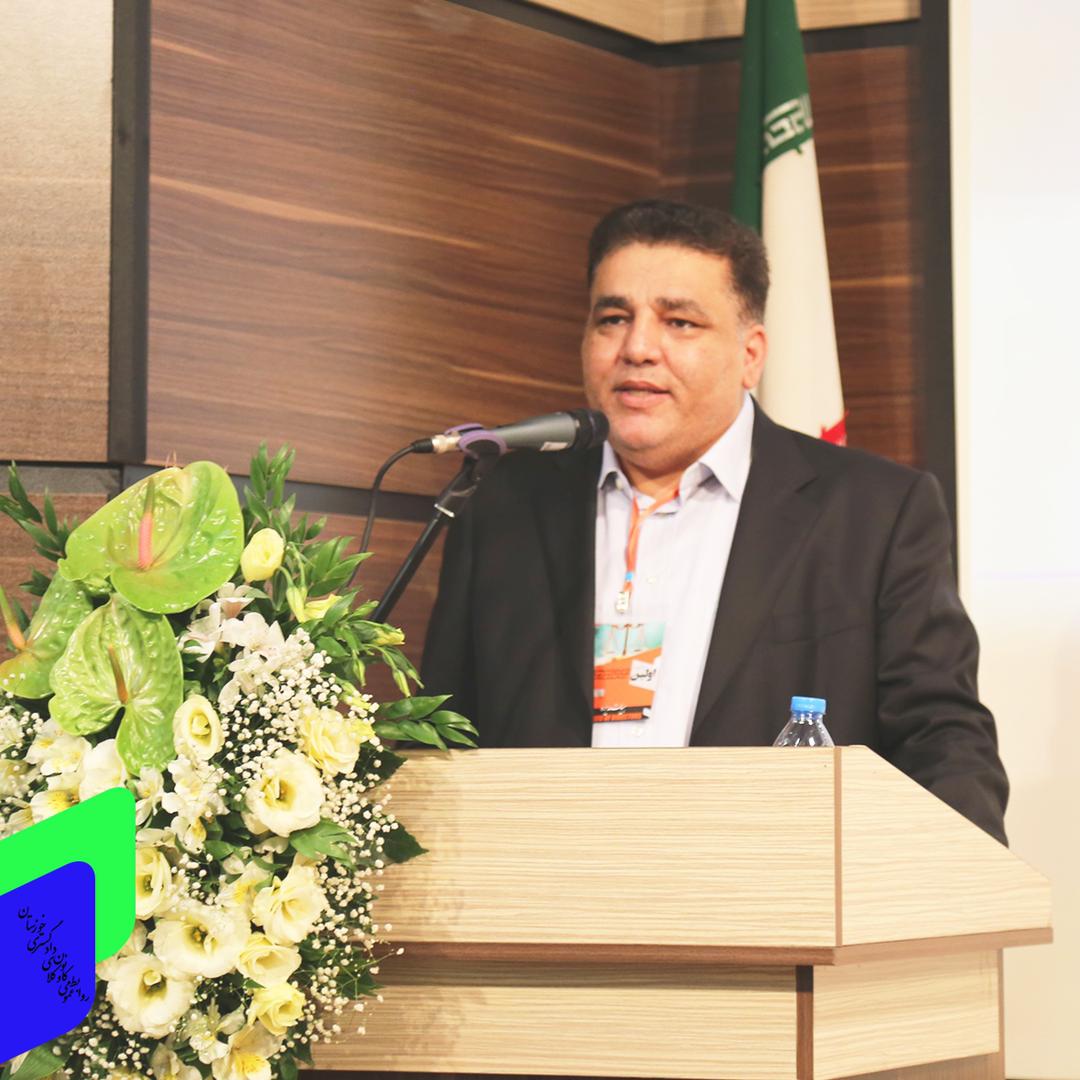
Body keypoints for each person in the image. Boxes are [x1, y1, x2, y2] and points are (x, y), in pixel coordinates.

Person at [421, 199, 1009, 845]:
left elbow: (941, 735)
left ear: (750, 355)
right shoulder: (502, 505)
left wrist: (961, 877)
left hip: (770, 887)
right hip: (541, 886)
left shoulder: (873, 512)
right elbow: (439, 734)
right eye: (613, 319)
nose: (637, 348)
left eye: (680, 322)